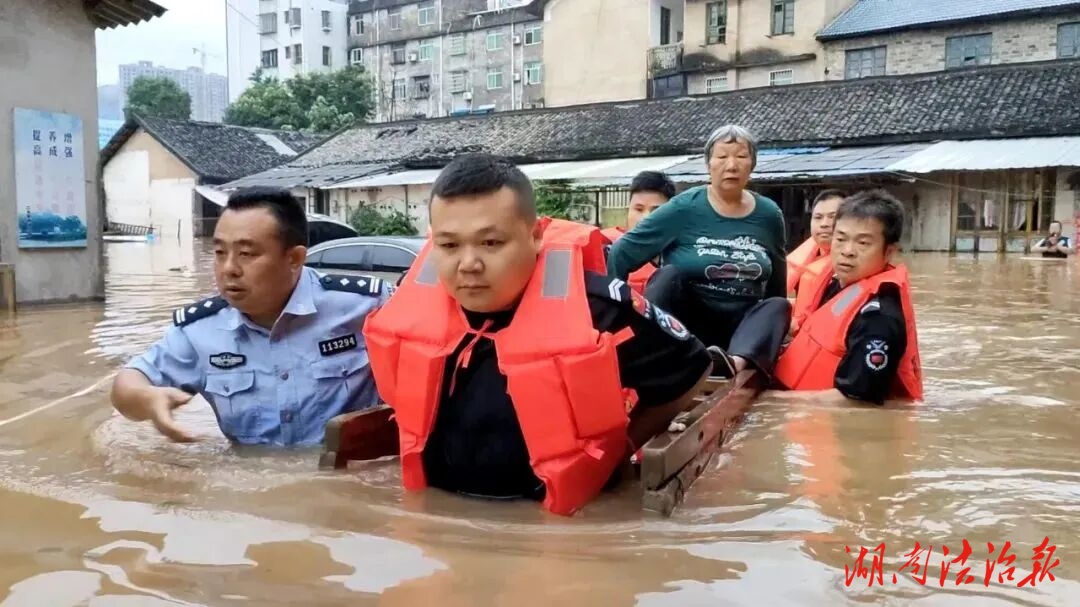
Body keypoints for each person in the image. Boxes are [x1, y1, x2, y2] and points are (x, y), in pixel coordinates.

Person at [363, 154, 712, 516]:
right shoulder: (412, 309)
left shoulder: (596, 308)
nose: (468, 264)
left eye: (490, 243)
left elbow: (691, 369)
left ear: (535, 237)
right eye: (449, 245)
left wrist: (623, 447)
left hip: (556, 521)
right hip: (436, 513)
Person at [111, 187, 388, 446]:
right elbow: (128, 383)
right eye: (220, 253)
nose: (228, 268)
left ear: (294, 258)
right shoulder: (200, 331)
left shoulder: (367, 305)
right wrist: (148, 399)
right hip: (255, 477)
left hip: (354, 472)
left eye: (246, 254)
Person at [607, 124, 790, 380]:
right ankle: (654, 352)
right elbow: (621, 253)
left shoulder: (769, 215)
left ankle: (730, 364)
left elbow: (777, 279)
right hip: (686, 327)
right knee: (667, 276)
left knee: (778, 305)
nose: (731, 165)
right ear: (708, 164)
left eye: (741, 156)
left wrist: (772, 331)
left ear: (752, 164)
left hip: (741, 330)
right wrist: (616, 319)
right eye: (722, 156)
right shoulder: (684, 207)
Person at [774, 189, 923, 405]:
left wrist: (769, 401)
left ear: (889, 252)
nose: (848, 251)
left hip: (826, 416)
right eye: (841, 239)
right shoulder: (837, 284)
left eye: (863, 243)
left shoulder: (879, 318)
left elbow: (857, 400)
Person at [600, 171, 677, 293]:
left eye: (656, 211)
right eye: (639, 209)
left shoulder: (683, 256)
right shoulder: (605, 251)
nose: (645, 218)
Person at [786, 189, 844, 295]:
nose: (824, 224)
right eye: (818, 217)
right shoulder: (801, 260)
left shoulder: (855, 263)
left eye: (832, 217)